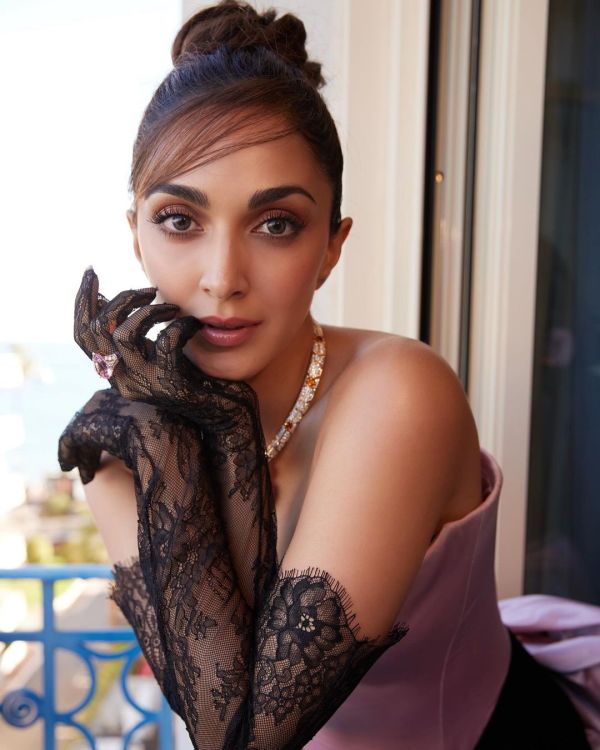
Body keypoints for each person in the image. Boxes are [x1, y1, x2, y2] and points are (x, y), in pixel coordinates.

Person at [57, 2, 594, 748]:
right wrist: (167, 439)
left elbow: (248, 741)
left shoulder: (398, 393)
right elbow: (208, 708)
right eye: (181, 220)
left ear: (332, 248)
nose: (223, 277)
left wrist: (194, 444)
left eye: (275, 224)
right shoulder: (130, 440)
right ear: (138, 238)